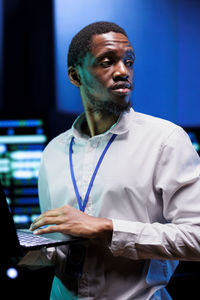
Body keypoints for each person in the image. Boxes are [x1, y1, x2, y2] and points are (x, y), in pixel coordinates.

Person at [29, 21, 200, 299]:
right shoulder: (53, 151)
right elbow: (56, 249)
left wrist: (109, 228)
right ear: (75, 76)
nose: (123, 72)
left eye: (128, 61)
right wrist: (21, 252)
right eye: (107, 62)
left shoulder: (166, 140)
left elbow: (197, 238)